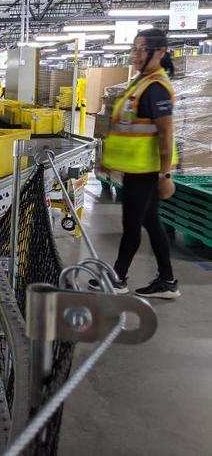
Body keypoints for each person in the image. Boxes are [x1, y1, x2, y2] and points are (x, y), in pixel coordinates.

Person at [98, 28, 180, 299]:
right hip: (136, 169)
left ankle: (118, 278)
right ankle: (167, 280)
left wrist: (165, 175)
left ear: (159, 52)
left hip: (147, 171)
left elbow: (166, 134)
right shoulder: (141, 82)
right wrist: (110, 161)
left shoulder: (156, 88)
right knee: (151, 223)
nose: (134, 55)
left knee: (132, 225)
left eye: (140, 49)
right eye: (133, 49)